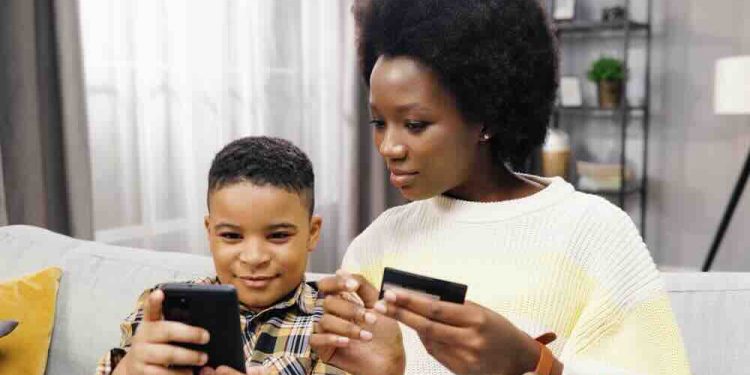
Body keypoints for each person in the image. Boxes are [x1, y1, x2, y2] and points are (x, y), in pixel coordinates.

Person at [310, 0, 691, 374]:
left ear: (485, 118)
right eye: (379, 122)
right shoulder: (378, 242)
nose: (389, 147)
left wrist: (534, 364)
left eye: (414, 124)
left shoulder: (593, 232)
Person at [95, 136, 349, 375]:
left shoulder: (332, 320)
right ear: (210, 231)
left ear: (312, 233)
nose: (253, 257)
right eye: (231, 236)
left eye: (278, 236)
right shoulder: (164, 306)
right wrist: (128, 368)